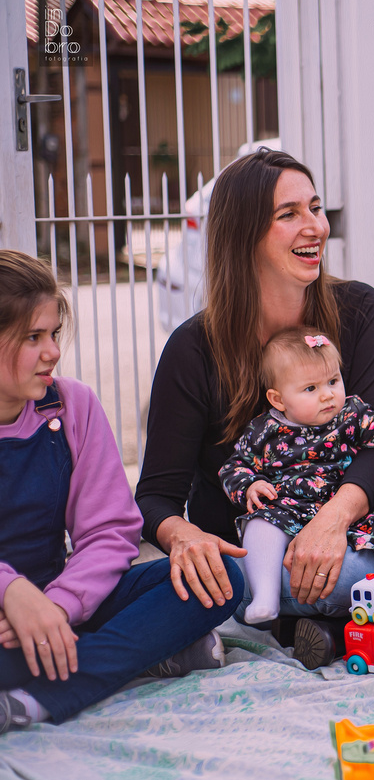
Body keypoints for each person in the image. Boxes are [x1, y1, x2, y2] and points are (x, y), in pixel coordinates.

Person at [136, 148, 374, 669]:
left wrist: (330, 522)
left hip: (346, 534)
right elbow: (155, 497)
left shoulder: (359, 310)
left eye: (316, 208)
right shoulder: (193, 349)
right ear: (244, 236)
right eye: (290, 215)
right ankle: (359, 618)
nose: (316, 227)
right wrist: (184, 536)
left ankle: (324, 630)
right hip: (256, 559)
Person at [0, 250, 242, 734]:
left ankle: (41, 694)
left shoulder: (71, 405)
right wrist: (12, 593)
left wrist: (57, 606)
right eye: (32, 337)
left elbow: (110, 532)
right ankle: (136, 655)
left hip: (66, 598)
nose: (52, 352)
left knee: (217, 580)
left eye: (53, 334)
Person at [220, 327, 374, 625]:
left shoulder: (351, 416)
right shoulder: (263, 431)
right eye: (311, 389)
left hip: (344, 514)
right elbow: (233, 466)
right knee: (260, 523)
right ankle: (265, 597)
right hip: (287, 510)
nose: (328, 394)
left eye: (333, 380)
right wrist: (249, 485)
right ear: (278, 399)